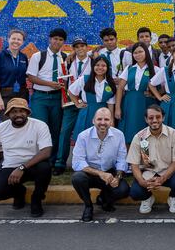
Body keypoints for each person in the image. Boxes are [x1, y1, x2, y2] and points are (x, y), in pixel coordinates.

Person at [0, 98, 52, 218]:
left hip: (33, 165)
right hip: (10, 166)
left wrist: (22, 167)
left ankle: (36, 199)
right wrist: (5, 155)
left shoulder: (39, 125)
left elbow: (46, 152)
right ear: (8, 114)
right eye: (14, 111)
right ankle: (19, 192)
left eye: (22, 111)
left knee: (45, 167)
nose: (18, 114)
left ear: (27, 112)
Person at [71, 108, 131, 222]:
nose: (102, 122)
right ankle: (88, 206)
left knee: (123, 190)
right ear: (93, 120)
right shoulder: (83, 136)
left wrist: (117, 178)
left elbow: (122, 159)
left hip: (110, 172)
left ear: (111, 121)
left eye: (106, 119)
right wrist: (100, 173)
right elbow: (77, 162)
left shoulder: (119, 135)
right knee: (77, 178)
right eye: (99, 119)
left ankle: (104, 199)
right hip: (90, 172)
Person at [127, 104, 175, 215]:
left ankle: (173, 198)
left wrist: (163, 178)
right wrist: (142, 182)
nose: (154, 120)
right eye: (151, 118)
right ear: (146, 119)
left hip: (168, 172)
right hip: (148, 173)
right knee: (135, 192)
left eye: (158, 117)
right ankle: (148, 198)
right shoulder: (140, 137)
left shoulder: (173, 134)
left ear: (163, 118)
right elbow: (134, 164)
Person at [26, 27, 68, 171]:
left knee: (55, 130)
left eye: (60, 39)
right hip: (41, 97)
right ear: (50, 39)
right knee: (40, 129)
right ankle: (38, 160)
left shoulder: (65, 57)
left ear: (64, 42)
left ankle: (52, 159)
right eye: (55, 38)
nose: (57, 42)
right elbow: (31, 76)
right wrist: (49, 84)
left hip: (57, 98)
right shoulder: (38, 56)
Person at [55, 36, 90, 173]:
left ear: (87, 47)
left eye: (82, 46)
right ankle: (60, 162)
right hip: (70, 102)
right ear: (73, 49)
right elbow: (62, 81)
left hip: (86, 103)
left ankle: (85, 162)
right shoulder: (67, 62)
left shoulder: (94, 61)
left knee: (85, 132)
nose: (80, 49)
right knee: (65, 132)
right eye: (77, 47)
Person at [115, 41, 161, 144]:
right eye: (135, 53)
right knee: (128, 131)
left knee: (144, 133)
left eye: (140, 52)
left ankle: (145, 158)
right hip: (129, 104)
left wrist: (154, 94)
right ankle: (129, 159)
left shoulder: (155, 69)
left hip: (146, 104)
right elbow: (120, 88)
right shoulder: (129, 68)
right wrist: (117, 108)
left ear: (146, 52)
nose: (138, 55)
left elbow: (163, 88)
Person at [67, 55, 117, 140]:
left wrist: (111, 120)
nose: (100, 68)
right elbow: (71, 91)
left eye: (103, 65)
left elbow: (110, 104)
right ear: (93, 66)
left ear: (107, 68)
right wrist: (77, 103)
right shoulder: (84, 79)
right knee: (85, 139)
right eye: (97, 65)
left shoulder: (110, 83)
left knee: (101, 139)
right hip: (87, 112)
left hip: (103, 114)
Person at [0, 28, 29, 122]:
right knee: (8, 123)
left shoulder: (23, 57)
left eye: (19, 39)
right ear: (8, 39)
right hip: (4, 95)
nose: (16, 41)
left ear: (23, 42)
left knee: (20, 123)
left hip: (21, 95)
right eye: (13, 38)